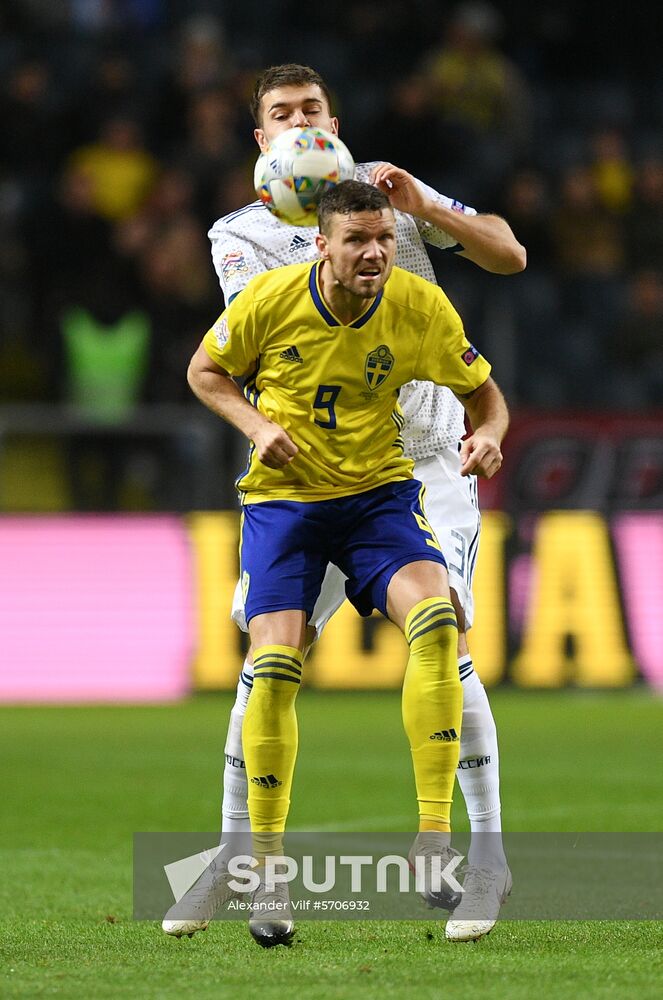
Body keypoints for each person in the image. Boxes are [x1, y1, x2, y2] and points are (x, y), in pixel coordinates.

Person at [162, 62, 524, 945]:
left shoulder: (388, 192)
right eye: (280, 114)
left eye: (311, 109)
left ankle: (484, 858)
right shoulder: (238, 234)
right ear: (262, 141)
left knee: (448, 638)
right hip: (309, 472)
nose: (298, 122)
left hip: (423, 461)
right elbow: (258, 341)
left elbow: (507, 253)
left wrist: (424, 212)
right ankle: (236, 854)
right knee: (269, 662)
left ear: (332, 118)